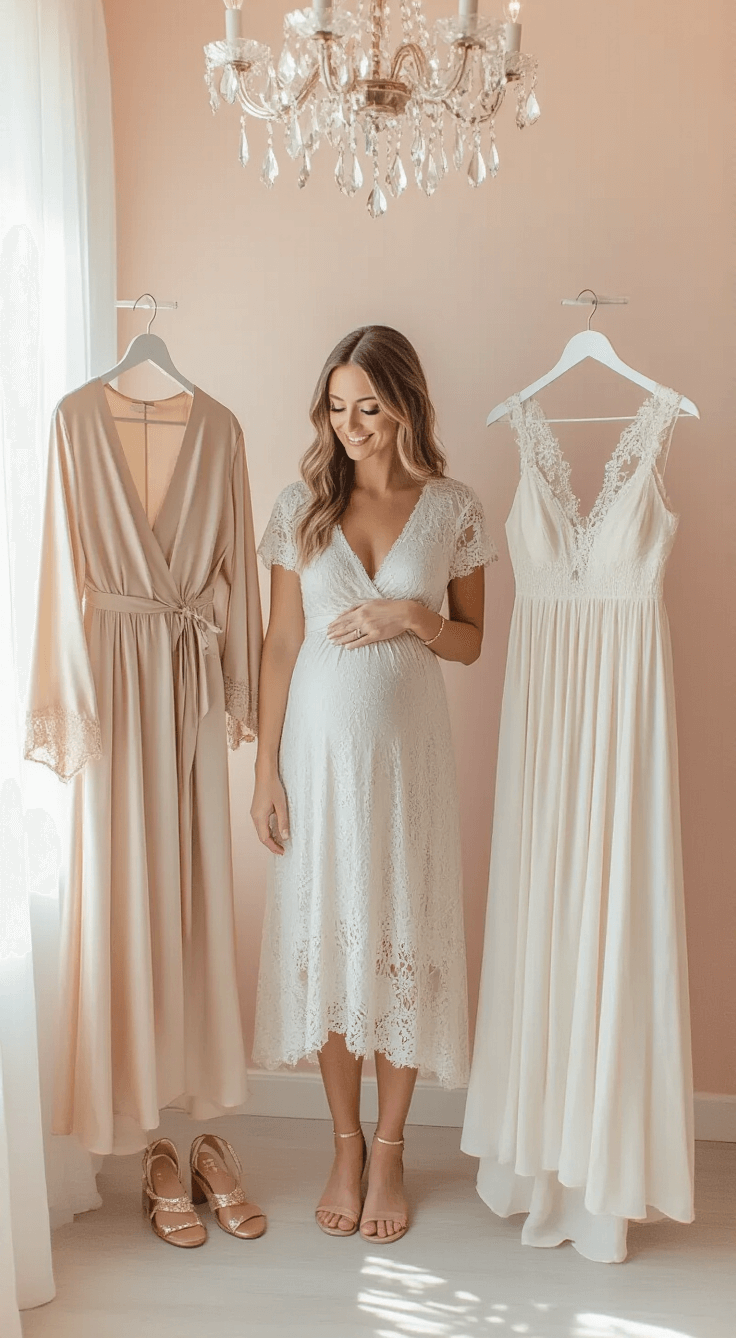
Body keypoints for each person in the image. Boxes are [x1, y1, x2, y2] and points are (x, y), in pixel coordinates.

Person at [251, 325, 493, 1243]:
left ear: (405, 407)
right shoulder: (302, 505)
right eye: (338, 407)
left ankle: (391, 1151)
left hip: (407, 767)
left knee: (401, 943)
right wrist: (265, 770)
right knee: (330, 943)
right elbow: (281, 643)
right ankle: (344, 1146)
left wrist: (410, 615)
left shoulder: (453, 507)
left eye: (370, 408)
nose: (351, 426)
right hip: (316, 764)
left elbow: (470, 642)